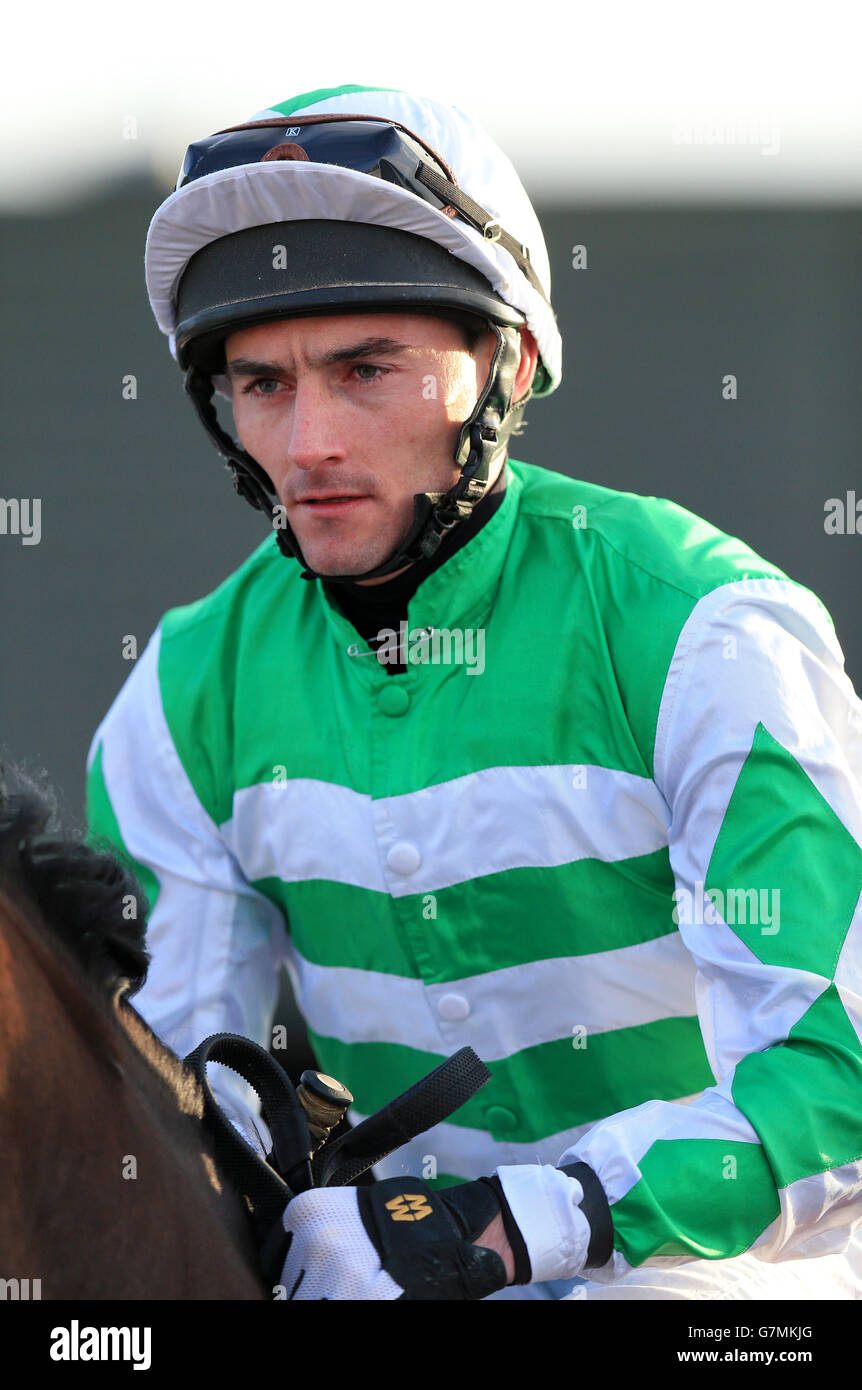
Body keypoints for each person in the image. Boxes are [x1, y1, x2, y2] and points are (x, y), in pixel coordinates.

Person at [87, 82, 862, 1300]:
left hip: (729, 1282)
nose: (305, 447)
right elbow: (185, 1109)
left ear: (507, 364)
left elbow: (836, 1085)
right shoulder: (181, 695)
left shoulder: (707, 630)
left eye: (365, 370)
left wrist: (512, 1227)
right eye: (262, 383)